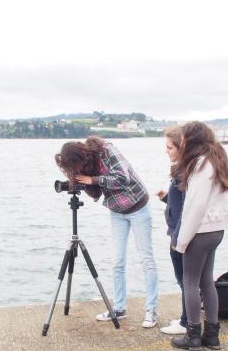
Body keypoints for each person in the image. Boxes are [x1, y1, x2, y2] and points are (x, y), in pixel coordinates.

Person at [55, 137, 159, 328]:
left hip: (138, 206)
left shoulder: (106, 150)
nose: (76, 169)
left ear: (81, 156)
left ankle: (152, 310)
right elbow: (97, 194)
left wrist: (92, 179)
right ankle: (119, 308)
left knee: (146, 258)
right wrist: (83, 183)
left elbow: (122, 178)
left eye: (75, 166)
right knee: (117, 261)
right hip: (117, 211)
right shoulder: (84, 166)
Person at [170, 121, 228, 351]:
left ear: (191, 140)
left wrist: (182, 241)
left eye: (184, 138)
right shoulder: (217, 159)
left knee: (190, 282)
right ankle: (212, 335)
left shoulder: (199, 165)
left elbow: (195, 207)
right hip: (217, 230)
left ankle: (193, 336)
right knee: (207, 281)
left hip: (200, 231)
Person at [156, 127, 188, 335]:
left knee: (185, 279)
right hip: (180, 230)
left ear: (180, 147)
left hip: (180, 233)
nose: (167, 151)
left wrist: (177, 238)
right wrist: (166, 198)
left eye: (169, 147)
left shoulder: (184, 172)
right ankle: (187, 317)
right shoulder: (188, 169)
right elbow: (182, 204)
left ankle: (186, 322)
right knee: (189, 280)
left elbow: (187, 208)